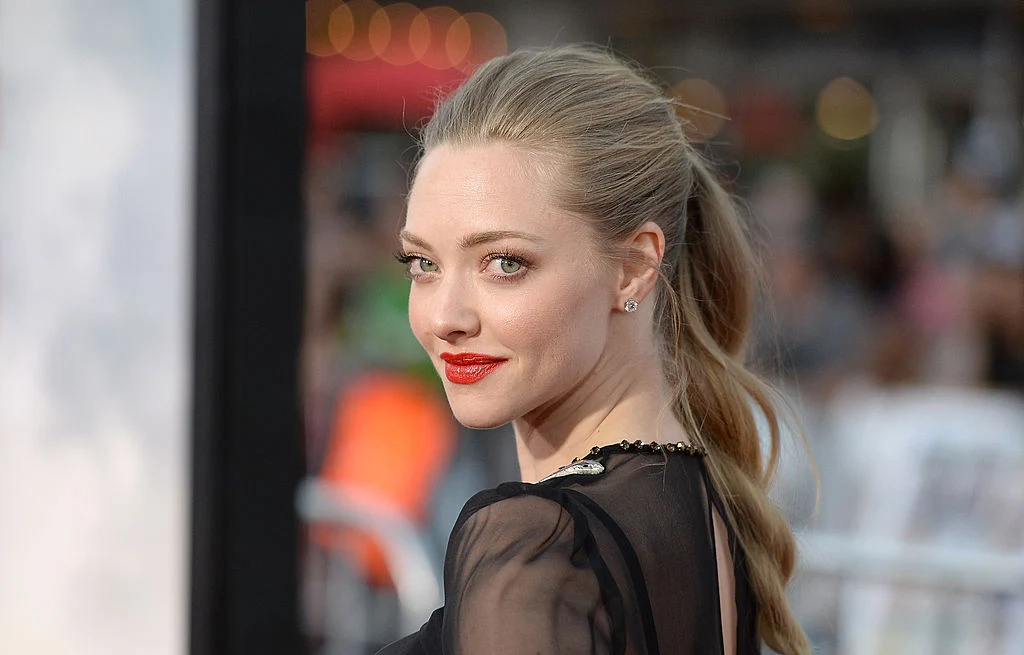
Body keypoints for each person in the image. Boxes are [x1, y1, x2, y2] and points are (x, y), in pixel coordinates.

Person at [378, 45, 810, 655]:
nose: (445, 318)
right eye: (423, 263)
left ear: (633, 268)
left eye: (504, 263)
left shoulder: (538, 544)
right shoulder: (707, 508)